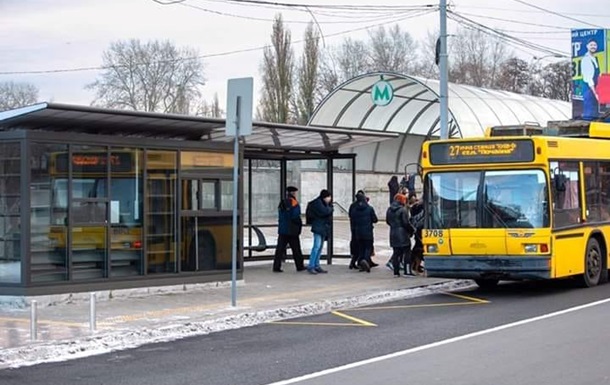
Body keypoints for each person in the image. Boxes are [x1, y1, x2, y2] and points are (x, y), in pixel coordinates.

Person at [272, 186, 305, 273]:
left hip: (283, 230)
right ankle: (300, 266)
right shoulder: (294, 203)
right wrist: (299, 224)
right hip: (292, 230)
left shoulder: (282, 202)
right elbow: (295, 216)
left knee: (280, 249)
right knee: (296, 249)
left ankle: (276, 266)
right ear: (293, 193)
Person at [348, 190, 378, 273]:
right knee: (368, 248)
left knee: (361, 248)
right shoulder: (369, 208)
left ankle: (361, 263)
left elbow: (351, 217)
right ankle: (365, 260)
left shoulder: (354, 209)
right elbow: (375, 219)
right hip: (368, 232)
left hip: (358, 232)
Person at [386, 193, 414, 277]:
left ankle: (396, 272)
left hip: (393, 233)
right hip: (403, 234)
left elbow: (388, 221)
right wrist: (412, 230)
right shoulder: (403, 210)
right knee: (407, 253)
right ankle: (407, 271)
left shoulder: (389, 209)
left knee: (396, 253)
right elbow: (406, 223)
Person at [307, 189, 333, 274]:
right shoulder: (318, 203)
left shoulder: (323, 203)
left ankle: (316, 265)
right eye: (329, 197)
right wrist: (331, 209)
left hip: (322, 228)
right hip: (318, 228)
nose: (330, 199)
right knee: (316, 247)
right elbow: (325, 212)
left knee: (320, 247)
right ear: (325, 197)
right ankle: (311, 266)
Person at [581, 38, 601, 120]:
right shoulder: (586, 59)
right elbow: (589, 78)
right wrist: (595, 93)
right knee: (590, 114)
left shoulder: (594, 58)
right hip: (589, 90)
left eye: (595, 45)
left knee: (595, 114)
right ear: (587, 46)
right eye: (591, 45)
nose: (593, 46)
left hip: (594, 90)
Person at [409, 194, 425, 275]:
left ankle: (415, 265)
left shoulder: (415, 207)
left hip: (417, 229)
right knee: (419, 249)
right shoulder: (420, 207)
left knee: (418, 248)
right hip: (420, 230)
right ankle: (415, 266)